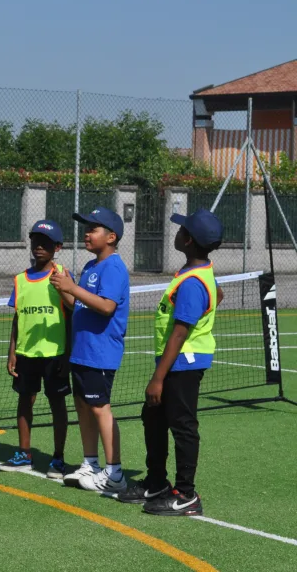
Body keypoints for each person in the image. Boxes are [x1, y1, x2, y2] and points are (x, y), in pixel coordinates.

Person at [118, 209, 224, 516]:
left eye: (181, 230)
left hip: (184, 363)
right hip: (176, 362)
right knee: (153, 417)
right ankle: (157, 482)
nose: (175, 233)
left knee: (183, 426)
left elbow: (179, 332)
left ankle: (186, 494)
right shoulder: (196, 272)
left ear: (187, 240)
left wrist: (158, 378)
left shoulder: (192, 282)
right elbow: (217, 294)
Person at [50, 207, 129, 493]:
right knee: (83, 407)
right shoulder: (91, 267)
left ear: (111, 237)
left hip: (101, 352)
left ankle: (115, 473)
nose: (86, 232)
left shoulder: (114, 267)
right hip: (82, 351)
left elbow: (107, 307)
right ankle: (90, 464)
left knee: (100, 408)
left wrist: (73, 287)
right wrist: (64, 290)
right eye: (86, 227)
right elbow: (80, 305)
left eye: (93, 228)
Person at [0, 220, 73, 478]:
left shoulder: (62, 274)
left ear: (58, 247)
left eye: (46, 242)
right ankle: (24, 454)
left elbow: (73, 311)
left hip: (55, 353)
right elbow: (18, 318)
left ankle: (58, 458)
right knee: (24, 401)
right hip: (26, 354)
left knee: (57, 404)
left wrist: (69, 354)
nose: (39, 246)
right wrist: (12, 352)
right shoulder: (20, 279)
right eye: (35, 241)